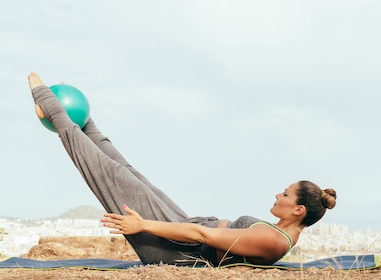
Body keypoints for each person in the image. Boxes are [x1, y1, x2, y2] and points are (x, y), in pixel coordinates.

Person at [27, 72, 337, 266]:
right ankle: (78, 115)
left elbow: (200, 234)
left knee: (107, 173)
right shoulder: (279, 233)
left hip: (175, 248)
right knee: (124, 170)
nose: (277, 194)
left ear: (297, 210)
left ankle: (49, 103)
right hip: (182, 231)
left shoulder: (274, 241)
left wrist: (142, 226)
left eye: (285, 193)